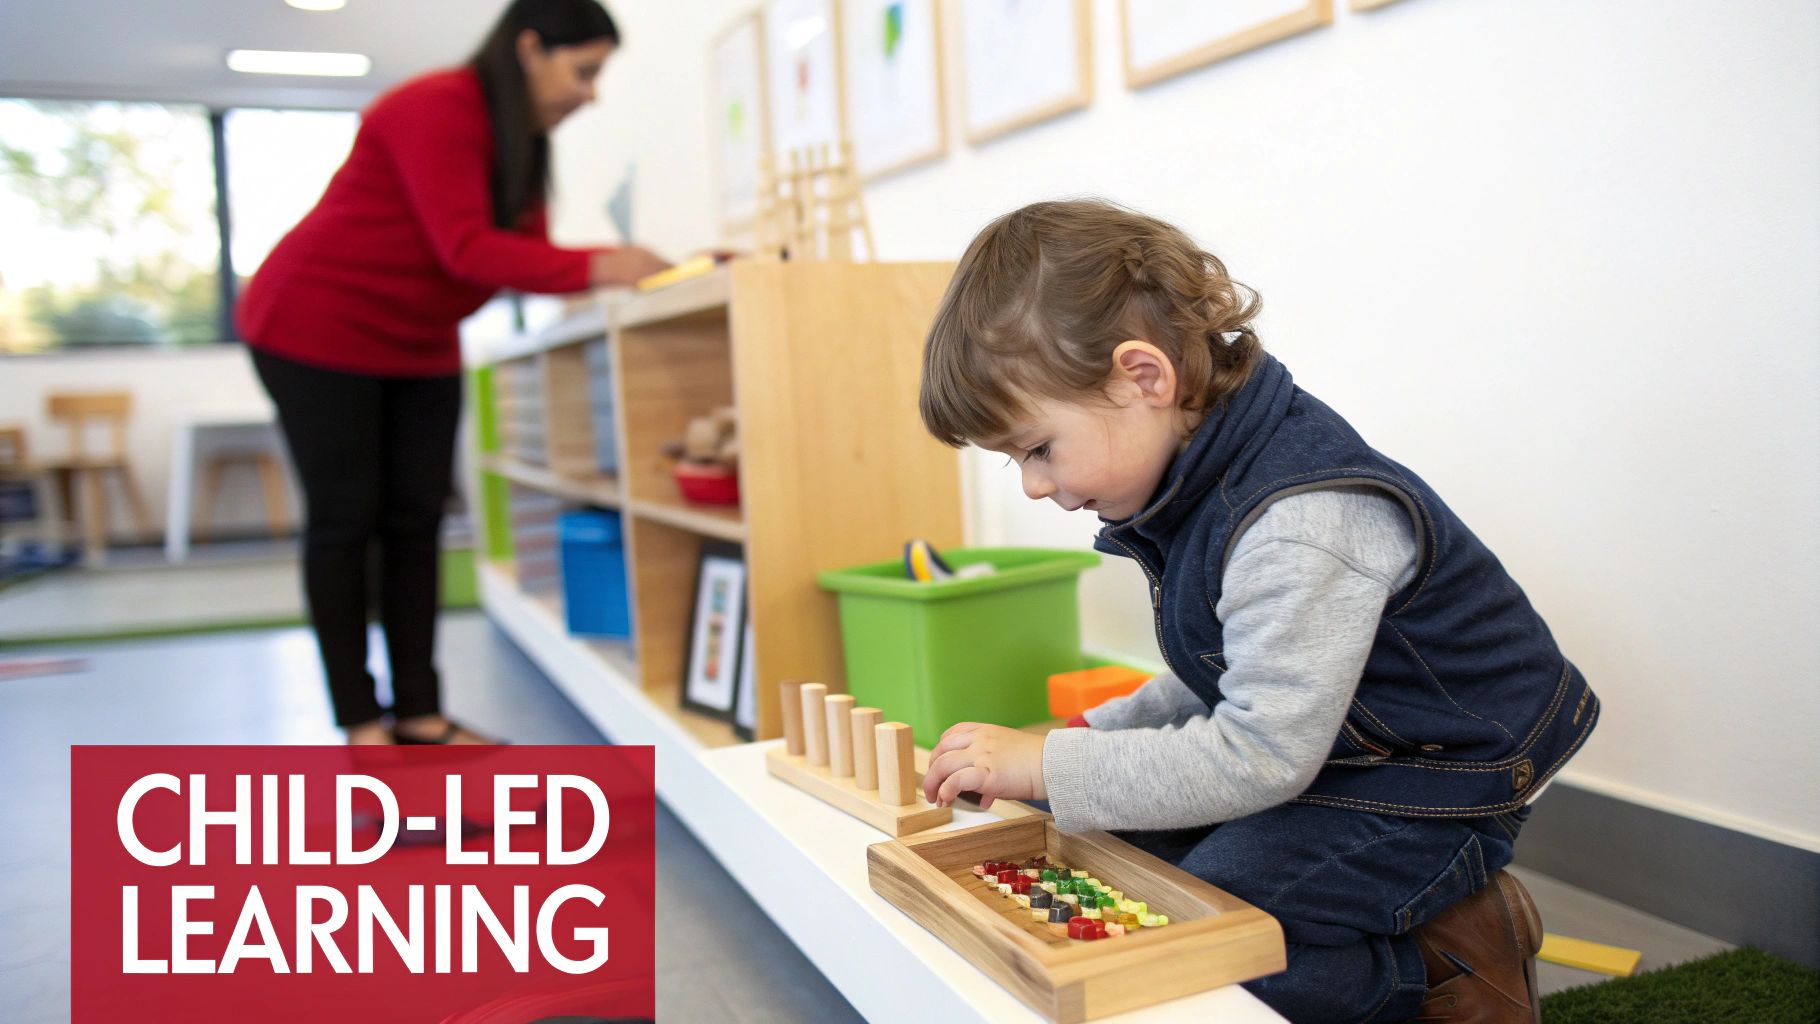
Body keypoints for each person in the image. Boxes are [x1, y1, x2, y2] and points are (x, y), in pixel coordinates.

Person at [916, 198, 1599, 1023]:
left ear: (1143, 377)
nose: (1033, 483)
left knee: (1213, 933)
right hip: (1346, 755)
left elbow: (1260, 754)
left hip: (1440, 779)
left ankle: (1440, 963)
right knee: (1116, 849)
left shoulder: (1296, 524)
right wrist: (1081, 742)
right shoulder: (1194, 479)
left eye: (1037, 448)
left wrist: (1045, 767)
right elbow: (1224, 680)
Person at [237, 0, 667, 746]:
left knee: (418, 521)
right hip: (314, 323)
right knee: (346, 521)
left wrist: (628, 269)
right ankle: (362, 726)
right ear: (531, 48)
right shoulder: (432, 107)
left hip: (419, 338)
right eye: (585, 71)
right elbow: (465, 248)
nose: (592, 93)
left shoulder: (524, 142)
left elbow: (524, 256)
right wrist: (608, 264)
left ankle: (421, 716)